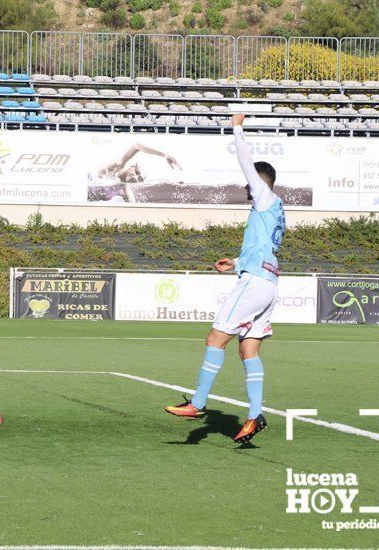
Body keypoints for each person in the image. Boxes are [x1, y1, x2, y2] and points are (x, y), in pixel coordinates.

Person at [164, 114, 285, 444]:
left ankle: (198, 403)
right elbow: (263, 249)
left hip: (256, 283)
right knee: (249, 351)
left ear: (259, 184)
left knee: (215, 339)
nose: (247, 190)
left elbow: (247, 165)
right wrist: (235, 262)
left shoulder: (264, 196)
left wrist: (236, 127)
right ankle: (254, 415)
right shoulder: (275, 210)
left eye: (251, 185)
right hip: (269, 283)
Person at [87, 143, 181, 202]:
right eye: (137, 171)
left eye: (139, 178)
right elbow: (136, 146)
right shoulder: (117, 166)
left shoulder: (124, 189)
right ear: (132, 166)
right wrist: (164, 155)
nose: (135, 176)